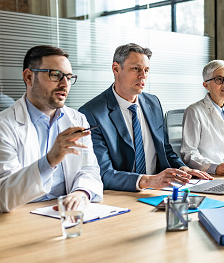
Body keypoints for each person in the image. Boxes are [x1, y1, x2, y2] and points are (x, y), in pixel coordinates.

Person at [79, 43, 212, 192]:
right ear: (116, 69)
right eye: (136, 69)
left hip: (159, 191)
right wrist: (148, 181)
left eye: (146, 70)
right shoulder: (91, 114)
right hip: (123, 195)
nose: (143, 76)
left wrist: (182, 168)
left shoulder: (152, 103)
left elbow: (165, 149)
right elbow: (103, 173)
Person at [0, 45, 103, 212]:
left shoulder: (77, 119)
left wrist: (81, 193)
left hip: (66, 213)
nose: (65, 84)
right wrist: (50, 160)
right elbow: (3, 196)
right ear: (28, 77)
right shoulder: (1, 126)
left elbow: (89, 169)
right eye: (56, 75)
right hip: (23, 216)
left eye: (69, 77)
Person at [180, 60, 224, 176]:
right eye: (219, 79)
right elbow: (189, 153)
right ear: (206, 85)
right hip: (207, 175)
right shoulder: (194, 111)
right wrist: (213, 167)